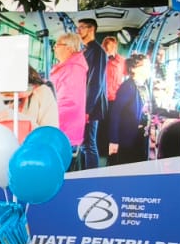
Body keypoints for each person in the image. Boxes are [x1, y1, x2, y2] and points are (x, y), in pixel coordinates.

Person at [107, 53, 152, 164]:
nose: (149, 69)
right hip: (129, 138)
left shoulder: (144, 86)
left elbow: (153, 108)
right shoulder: (127, 87)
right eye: (146, 66)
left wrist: (177, 114)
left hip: (142, 136)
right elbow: (115, 114)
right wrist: (113, 140)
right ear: (134, 69)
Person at [49, 33, 88, 153]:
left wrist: (48, 120)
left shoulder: (73, 69)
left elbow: (68, 101)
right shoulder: (67, 67)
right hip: (63, 129)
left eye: (57, 45)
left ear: (69, 48)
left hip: (64, 129)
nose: (54, 48)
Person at [78, 18, 109, 169]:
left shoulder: (98, 51)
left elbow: (96, 82)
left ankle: (92, 175)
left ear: (91, 29)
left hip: (91, 105)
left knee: (89, 145)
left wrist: (87, 110)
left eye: (81, 27)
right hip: (85, 103)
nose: (78, 31)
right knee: (85, 144)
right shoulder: (86, 50)